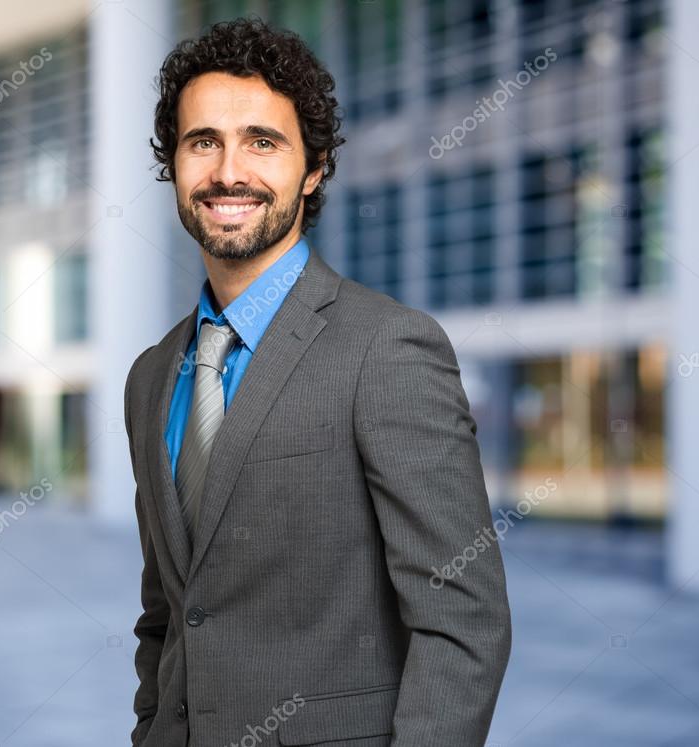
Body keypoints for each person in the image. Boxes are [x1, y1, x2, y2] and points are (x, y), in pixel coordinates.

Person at [123, 17, 512, 747]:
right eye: (201, 141)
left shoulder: (387, 348)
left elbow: (463, 619)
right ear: (172, 164)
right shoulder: (150, 377)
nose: (227, 171)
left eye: (261, 142)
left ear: (313, 169)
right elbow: (167, 614)